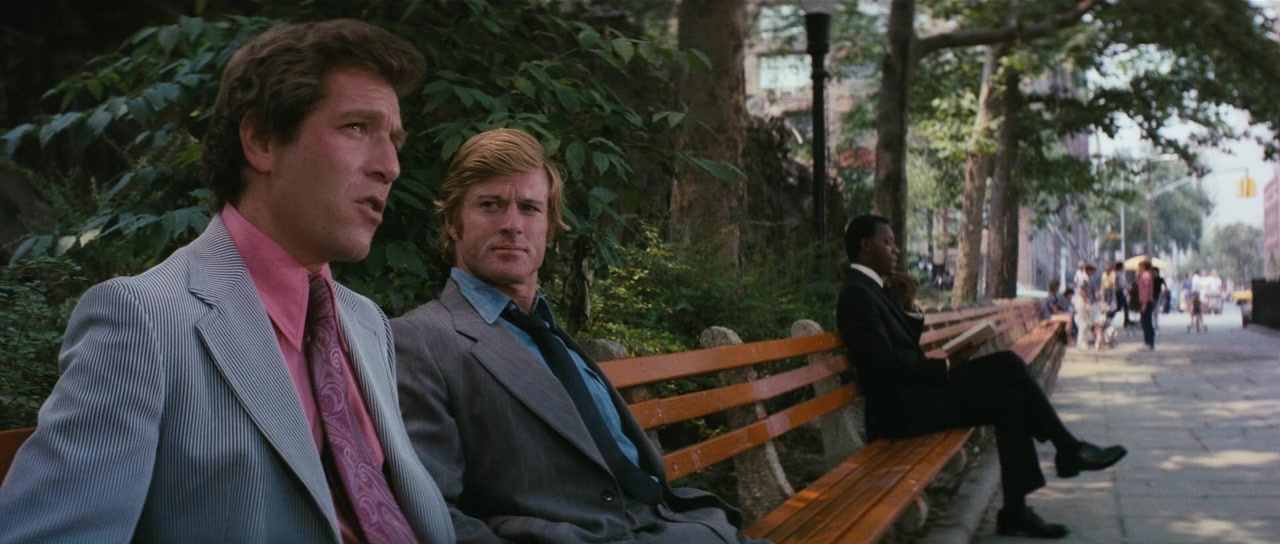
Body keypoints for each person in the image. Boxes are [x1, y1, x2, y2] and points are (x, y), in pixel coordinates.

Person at [0, 20, 455, 544]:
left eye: (394, 141)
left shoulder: (366, 322)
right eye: (357, 127)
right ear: (261, 140)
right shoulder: (142, 320)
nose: (390, 166)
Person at [392, 128, 765, 544]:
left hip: (680, 523)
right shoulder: (420, 339)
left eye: (530, 208)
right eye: (490, 205)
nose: (512, 224)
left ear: (549, 229)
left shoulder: (545, 332)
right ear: (452, 223)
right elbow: (432, 513)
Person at [836, 215, 1126, 539]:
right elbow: (882, 364)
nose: (895, 250)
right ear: (865, 245)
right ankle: (1068, 450)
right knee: (1008, 365)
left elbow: (899, 347)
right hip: (900, 412)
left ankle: (1017, 510)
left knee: (1010, 399)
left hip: (915, 397)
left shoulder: (870, 289)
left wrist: (908, 304)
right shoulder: (857, 295)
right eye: (887, 242)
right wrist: (945, 366)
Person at [1137, 259, 1156, 349]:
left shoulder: (1146, 276)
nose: (1139, 268)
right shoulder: (1144, 275)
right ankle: (1148, 341)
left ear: (1144, 267)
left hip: (1146, 301)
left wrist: (1144, 303)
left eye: (1140, 267)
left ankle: (1149, 341)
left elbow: (1146, 290)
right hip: (1145, 301)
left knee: (1147, 322)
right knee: (1145, 321)